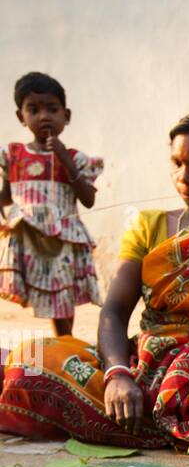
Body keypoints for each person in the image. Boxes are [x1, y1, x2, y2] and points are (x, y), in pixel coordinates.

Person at [0, 110, 189, 458]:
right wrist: (117, 375)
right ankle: (172, 417)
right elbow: (114, 309)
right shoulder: (148, 225)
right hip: (149, 365)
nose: (183, 178)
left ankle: (170, 417)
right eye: (177, 164)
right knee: (34, 359)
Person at [0, 72, 102, 335]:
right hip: (29, 237)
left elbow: (88, 199)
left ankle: (64, 341)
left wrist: (64, 159)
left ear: (66, 116)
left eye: (52, 109)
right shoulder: (14, 156)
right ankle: (55, 347)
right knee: (40, 293)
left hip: (62, 238)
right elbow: (8, 195)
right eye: (33, 110)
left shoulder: (74, 158)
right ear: (21, 117)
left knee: (62, 295)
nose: (44, 116)